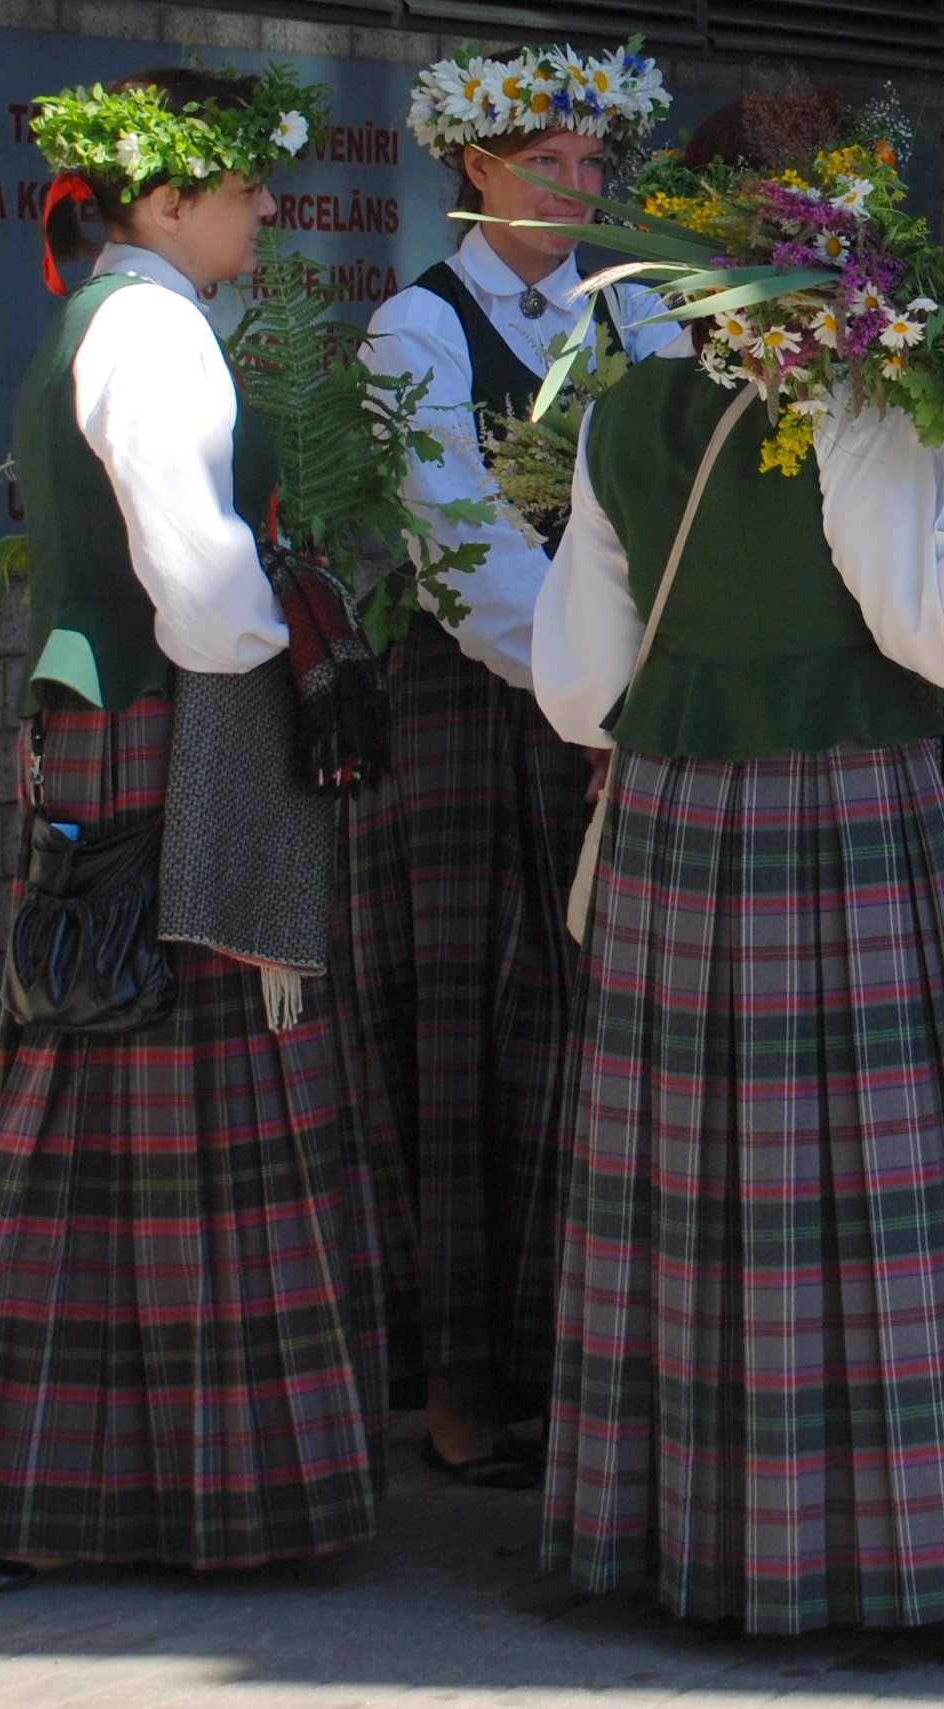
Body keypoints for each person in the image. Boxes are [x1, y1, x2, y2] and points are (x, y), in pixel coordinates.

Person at [526, 97, 944, 1650]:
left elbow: (578, 687)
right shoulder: (860, 401)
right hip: (843, 818)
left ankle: (684, 1544)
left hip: (673, 830)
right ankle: (895, 1560)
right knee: (872, 1202)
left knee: (690, 1199)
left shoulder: (627, 411)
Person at [0, 67, 388, 1589]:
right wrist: (297, 650)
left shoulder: (132, 316)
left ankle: (98, 1485)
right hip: (166, 729)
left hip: (137, 732)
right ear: (167, 199)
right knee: (97, 1094)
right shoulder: (147, 331)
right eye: (248, 189)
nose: (269, 210)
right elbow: (199, 583)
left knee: (121, 1105)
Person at [346, 42, 676, 1489]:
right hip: (482, 706)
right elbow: (459, 546)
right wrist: (590, 697)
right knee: (468, 1031)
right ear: (475, 166)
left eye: (595, 164)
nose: (577, 187)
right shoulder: (415, 329)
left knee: (592, 1024)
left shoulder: (640, 313)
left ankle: (583, 1361)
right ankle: (459, 1370)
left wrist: (644, 679)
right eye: (548, 163)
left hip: (617, 696)